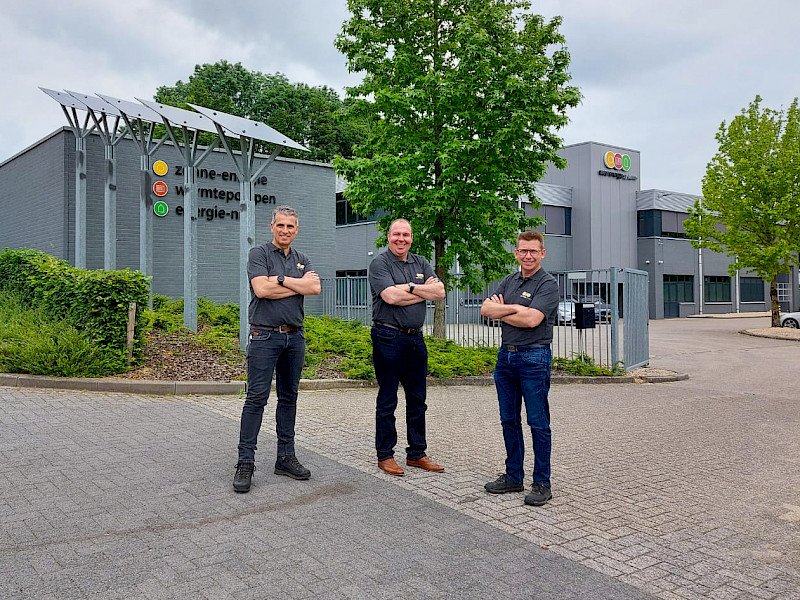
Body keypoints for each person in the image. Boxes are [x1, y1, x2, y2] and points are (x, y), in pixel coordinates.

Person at [233, 206, 321, 493]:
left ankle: (285, 457)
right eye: (280, 225)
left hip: (294, 339)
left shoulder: (302, 258)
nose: (285, 231)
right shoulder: (258, 254)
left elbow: (315, 288)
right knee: (256, 399)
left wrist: (281, 280)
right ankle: (245, 461)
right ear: (272, 227)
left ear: (297, 230)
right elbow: (261, 290)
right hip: (263, 337)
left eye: (290, 227)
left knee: (289, 398)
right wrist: (297, 285)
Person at [480, 231, 560, 506]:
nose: (527, 255)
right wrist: (517, 310)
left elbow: (532, 321)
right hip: (506, 359)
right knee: (508, 420)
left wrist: (506, 310)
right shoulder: (509, 281)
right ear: (516, 253)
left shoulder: (548, 284)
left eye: (533, 251)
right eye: (523, 251)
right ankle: (514, 476)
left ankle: (542, 483)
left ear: (542, 254)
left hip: (534, 359)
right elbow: (486, 310)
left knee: (537, 422)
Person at [368, 218, 446, 476]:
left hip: (415, 340)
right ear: (388, 236)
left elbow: (440, 292)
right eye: (397, 234)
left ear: (412, 237)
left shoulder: (421, 261)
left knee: (417, 400)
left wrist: (409, 288)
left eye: (406, 235)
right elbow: (390, 296)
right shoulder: (379, 263)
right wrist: (421, 289)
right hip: (387, 337)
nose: (401, 239)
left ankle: (416, 453)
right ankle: (385, 455)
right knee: (388, 398)